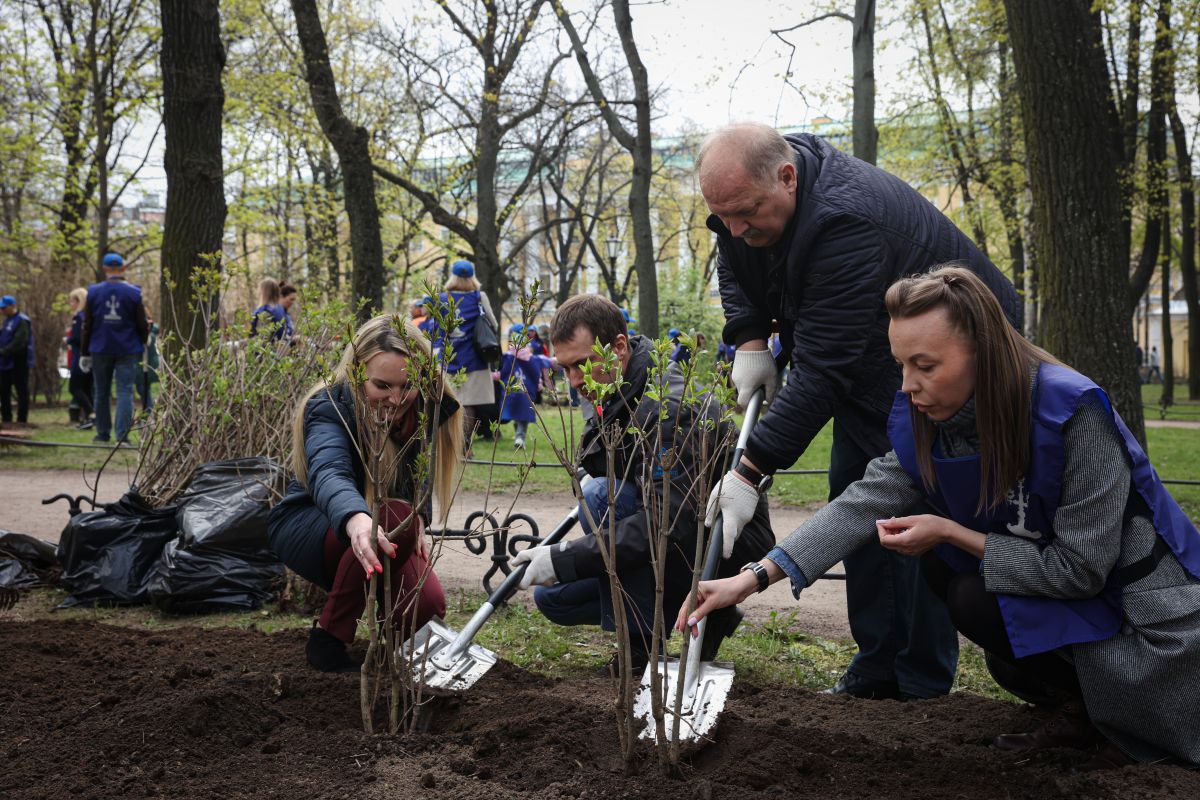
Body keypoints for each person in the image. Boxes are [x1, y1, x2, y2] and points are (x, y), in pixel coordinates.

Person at [681, 265, 1200, 769]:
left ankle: (1121, 721)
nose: (907, 385)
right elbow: (862, 502)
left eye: (925, 366)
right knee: (953, 577)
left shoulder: (1071, 413)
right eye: (901, 365)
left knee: (961, 570)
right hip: (1071, 591)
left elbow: (1081, 570)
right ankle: (1083, 711)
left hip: (1145, 617)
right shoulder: (931, 418)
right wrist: (749, 579)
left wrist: (954, 532)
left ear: (983, 351)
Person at [700, 122, 1021, 701]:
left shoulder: (847, 221)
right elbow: (735, 262)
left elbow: (823, 369)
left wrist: (750, 470)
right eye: (723, 216)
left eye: (746, 213)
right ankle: (877, 669)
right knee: (857, 505)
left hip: (943, 373)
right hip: (872, 369)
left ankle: (919, 682)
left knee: (905, 526)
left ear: (787, 178)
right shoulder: (744, 203)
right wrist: (748, 336)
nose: (736, 229)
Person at [515, 294, 775, 675]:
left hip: (720, 543)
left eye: (582, 365)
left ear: (619, 347)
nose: (574, 381)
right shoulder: (617, 387)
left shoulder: (667, 408)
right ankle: (708, 611)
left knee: (600, 496)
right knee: (555, 599)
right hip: (671, 536)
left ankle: (640, 650)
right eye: (565, 368)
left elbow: (664, 524)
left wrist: (563, 556)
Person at [267, 315, 464, 672]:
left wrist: (420, 517)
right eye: (382, 385)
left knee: (426, 606)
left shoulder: (425, 411)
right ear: (356, 373)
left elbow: (418, 478)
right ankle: (328, 639)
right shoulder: (330, 407)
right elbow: (330, 471)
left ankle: (402, 658)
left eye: (408, 385)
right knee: (390, 520)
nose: (396, 398)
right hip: (316, 524)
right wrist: (356, 518)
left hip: (384, 528)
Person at [429, 260, 500, 445]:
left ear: (452, 276)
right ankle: (465, 446)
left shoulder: (441, 298)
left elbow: (434, 328)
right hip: (474, 360)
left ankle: (449, 443)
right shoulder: (479, 297)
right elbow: (493, 324)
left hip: (447, 358)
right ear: (472, 277)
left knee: (448, 402)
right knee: (467, 404)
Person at [81, 253, 148, 445]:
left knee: (101, 391)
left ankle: (102, 434)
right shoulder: (134, 292)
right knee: (125, 391)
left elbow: (88, 324)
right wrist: (144, 340)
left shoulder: (93, 292)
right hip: (127, 348)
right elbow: (141, 323)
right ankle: (122, 436)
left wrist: (84, 352)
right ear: (123, 269)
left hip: (100, 347)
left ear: (104, 269)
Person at [497, 323, 544, 450]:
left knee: (517, 411)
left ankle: (519, 435)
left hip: (512, 389)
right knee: (523, 414)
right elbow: (535, 372)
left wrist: (497, 377)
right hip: (525, 390)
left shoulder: (508, 356)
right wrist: (538, 384)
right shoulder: (529, 356)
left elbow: (504, 372)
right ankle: (520, 437)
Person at [0, 295, 34, 427]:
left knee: (21, 391)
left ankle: (22, 419)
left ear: (13, 306)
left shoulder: (22, 321)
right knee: (3, 390)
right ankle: (6, 418)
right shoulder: (7, 321)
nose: (2, 310)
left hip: (19, 362)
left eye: (4, 308)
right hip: (5, 362)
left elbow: (20, 342)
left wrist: (4, 351)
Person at [65, 288, 94, 428]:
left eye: (72, 300)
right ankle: (89, 418)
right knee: (86, 388)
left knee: (74, 387)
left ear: (79, 301)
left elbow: (77, 338)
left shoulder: (79, 317)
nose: (70, 303)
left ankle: (91, 413)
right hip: (90, 357)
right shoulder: (89, 316)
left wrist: (68, 340)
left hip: (79, 357)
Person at [135, 316, 160, 412]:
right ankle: (148, 412)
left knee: (144, 392)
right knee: (145, 392)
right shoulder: (152, 335)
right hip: (147, 370)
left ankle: (148, 414)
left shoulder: (144, 338)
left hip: (143, 371)